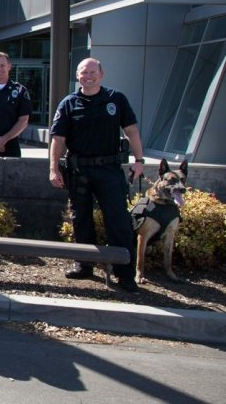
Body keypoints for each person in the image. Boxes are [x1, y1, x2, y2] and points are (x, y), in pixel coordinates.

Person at [49, 57, 145, 293]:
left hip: (109, 170)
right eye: (84, 72)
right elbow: (58, 139)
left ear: (101, 74)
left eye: (93, 72)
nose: (88, 76)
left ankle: (125, 274)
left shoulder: (116, 99)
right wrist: (53, 168)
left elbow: (131, 131)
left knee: (118, 221)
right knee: (81, 218)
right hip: (79, 170)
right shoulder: (69, 103)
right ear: (78, 76)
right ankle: (84, 263)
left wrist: (139, 160)